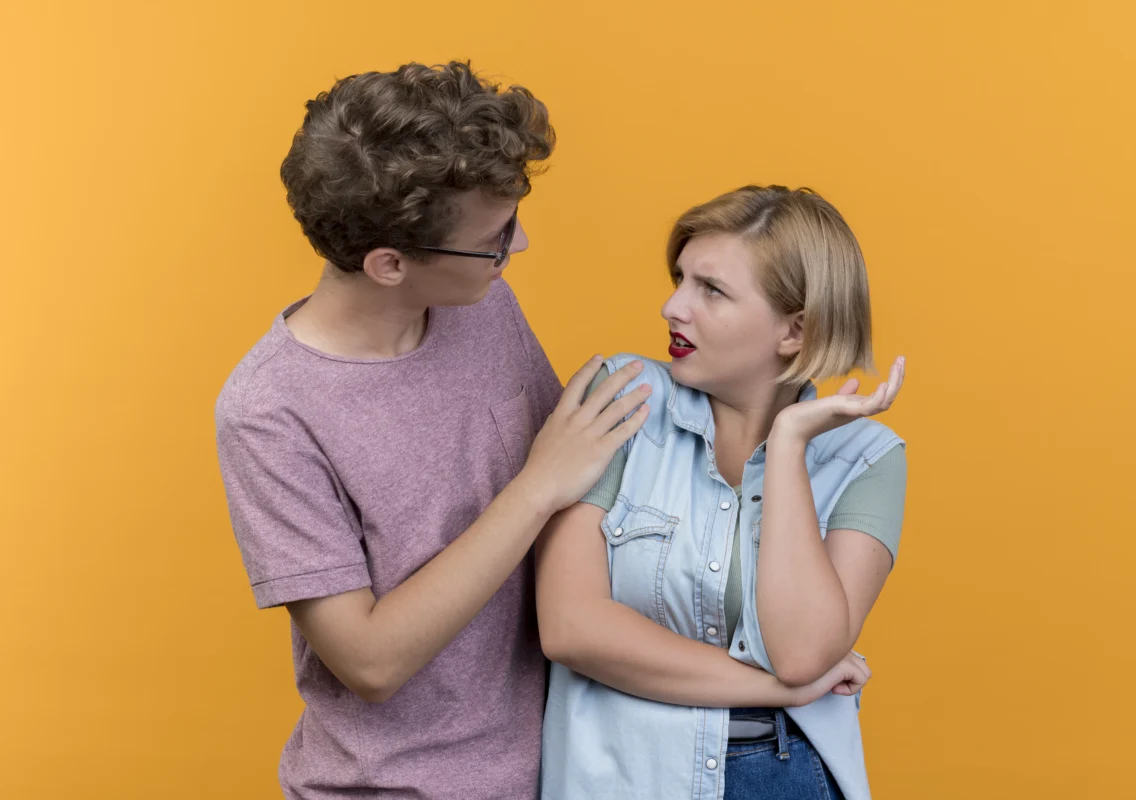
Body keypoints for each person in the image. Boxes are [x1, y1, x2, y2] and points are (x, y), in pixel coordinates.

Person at [214, 61, 651, 799]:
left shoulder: (483, 307)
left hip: (568, 768)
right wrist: (536, 485)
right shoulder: (269, 411)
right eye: (494, 237)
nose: (518, 249)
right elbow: (371, 662)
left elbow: (580, 506)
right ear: (388, 264)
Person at [536, 185, 907, 800]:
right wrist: (780, 690)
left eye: (711, 290)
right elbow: (571, 628)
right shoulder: (620, 398)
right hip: (621, 775)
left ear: (795, 330)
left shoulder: (867, 458)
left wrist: (786, 444)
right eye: (680, 279)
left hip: (787, 774)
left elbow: (801, 654)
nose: (672, 307)